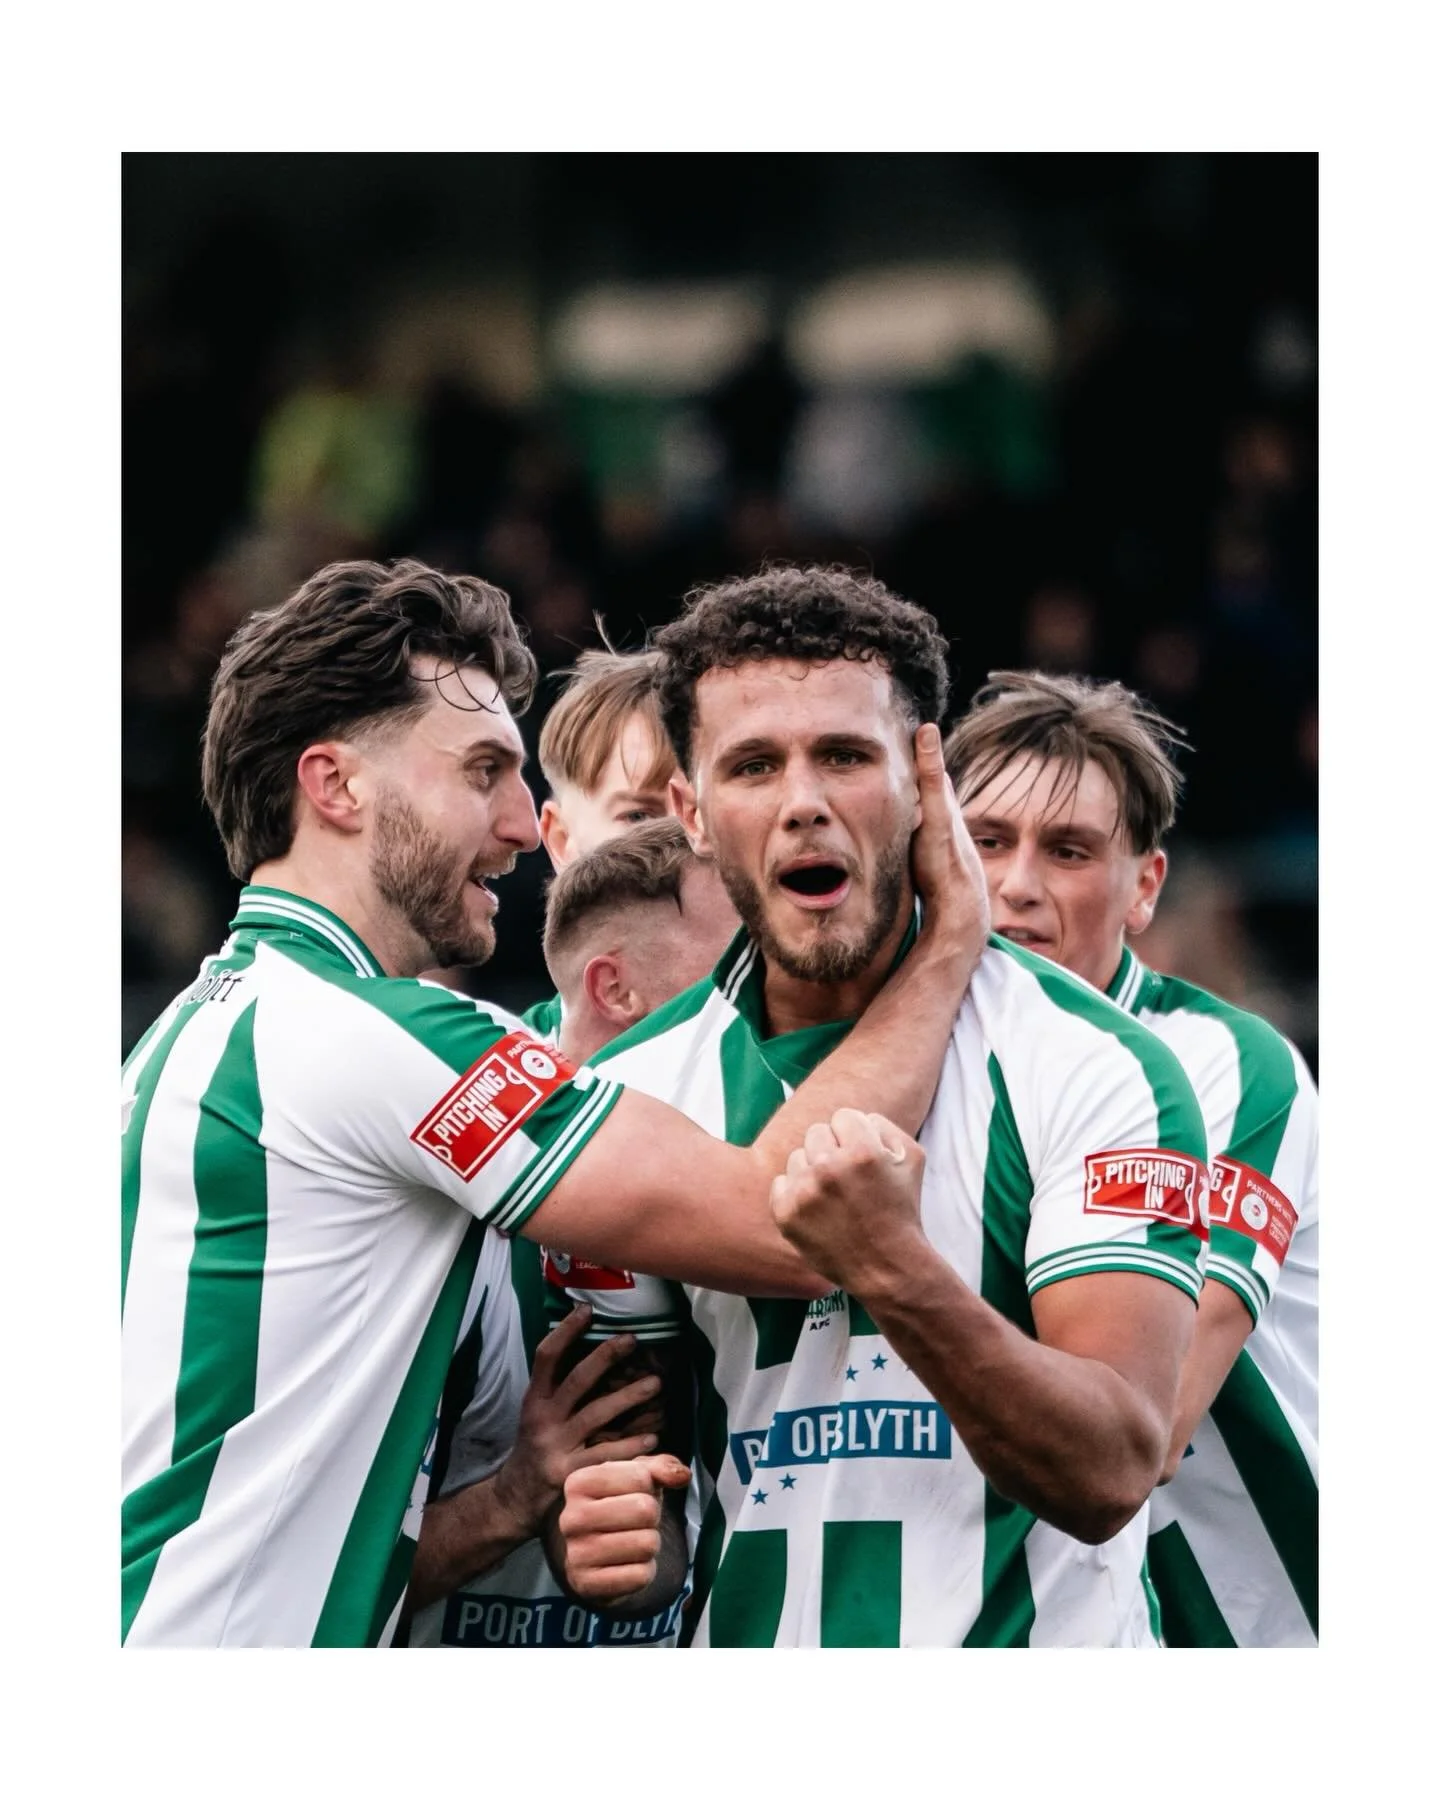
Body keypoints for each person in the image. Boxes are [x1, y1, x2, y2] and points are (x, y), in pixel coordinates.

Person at [120, 557, 985, 1647]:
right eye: (483, 771)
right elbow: (793, 1219)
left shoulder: (181, 1044)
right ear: (335, 786)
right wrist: (951, 943)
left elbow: (276, 1534)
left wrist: (509, 1500)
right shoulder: (378, 1040)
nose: (526, 826)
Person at [553, 565, 1209, 1647]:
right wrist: (619, 1541)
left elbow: (1112, 1467)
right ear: (693, 815)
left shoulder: (1100, 1066)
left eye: (845, 757)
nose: (804, 800)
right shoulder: (630, 1092)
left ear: (923, 784)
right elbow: (649, 1480)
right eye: (753, 765)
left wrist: (894, 1268)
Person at [944, 669, 1318, 1647]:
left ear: (1144, 887)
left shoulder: (1221, 1067)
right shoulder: (904, 1063)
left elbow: (1150, 1422)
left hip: (1250, 1639)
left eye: (1067, 851)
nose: (1016, 883)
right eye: (985, 841)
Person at [402, 821, 735, 1647]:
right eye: (736, 969)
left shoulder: (732, 1137)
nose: (763, 997)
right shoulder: (426, 1136)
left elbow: (646, 1530)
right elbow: (277, 1565)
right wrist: (513, 1497)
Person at [523, 643, 680, 1039]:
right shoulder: (506, 1067)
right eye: (639, 816)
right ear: (561, 839)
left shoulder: (811, 1036)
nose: (686, 840)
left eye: (702, 813)